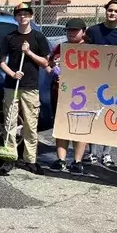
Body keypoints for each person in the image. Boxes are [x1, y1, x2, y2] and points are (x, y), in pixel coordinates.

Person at [0, 2, 51, 175]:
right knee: (10, 123)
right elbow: (1, 63)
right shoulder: (9, 38)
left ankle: (30, 160)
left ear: (31, 16)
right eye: (19, 14)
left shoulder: (38, 37)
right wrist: (12, 74)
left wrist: (28, 53)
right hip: (12, 87)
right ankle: (9, 157)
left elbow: (45, 62)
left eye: (26, 14)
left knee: (30, 124)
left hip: (30, 88)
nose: (23, 17)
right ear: (15, 17)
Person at [82, 0, 117, 167]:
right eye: (110, 10)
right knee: (94, 115)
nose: (112, 13)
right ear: (106, 11)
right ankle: (91, 153)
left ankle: (107, 154)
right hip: (95, 81)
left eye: (116, 11)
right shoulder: (94, 31)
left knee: (112, 117)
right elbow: (83, 54)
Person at [48, 19, 91, 175]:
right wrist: (53, 71)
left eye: (75, 30)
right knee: (60, 126)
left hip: (82, 94)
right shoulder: (61, 47)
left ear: (83, 32)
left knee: (80, 126)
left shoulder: (89, 49)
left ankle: (78, 161)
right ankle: (61, 159)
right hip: (59, 92)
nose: (71, 32)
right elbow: (50, 63)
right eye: (69, 30)